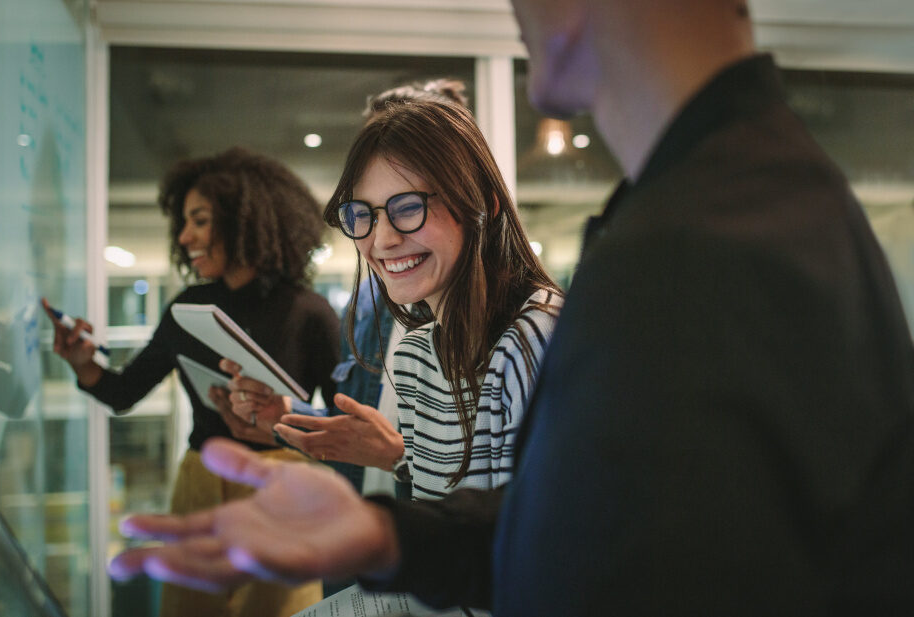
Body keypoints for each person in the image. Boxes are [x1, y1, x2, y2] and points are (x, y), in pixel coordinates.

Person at [108, 0, 914, 614]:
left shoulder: (703, 244)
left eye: (409, 208)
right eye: (363, 216)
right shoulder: (740, 202)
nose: (520, 18)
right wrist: (386, 527)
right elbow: (576, 527)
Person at [47, 146, 338, 617]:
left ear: (244, 220)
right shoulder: (186, 309)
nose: (184, 237)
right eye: (184, 223)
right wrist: (83, 363)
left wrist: (288, 421)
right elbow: (124, 392)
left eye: (199, 221)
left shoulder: (309, 313)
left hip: (281, 489)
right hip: (199, 485)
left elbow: (343, 424)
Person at [227, 78, 474, 503]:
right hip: (365, 552)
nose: (385, 237)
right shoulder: (369, 306)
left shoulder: (510, 332)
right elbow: (363, 438)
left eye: (408, 200)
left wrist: (399, 459)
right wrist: (286, 414)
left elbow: (500, 499)